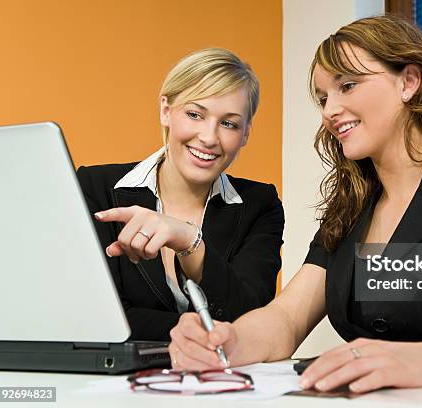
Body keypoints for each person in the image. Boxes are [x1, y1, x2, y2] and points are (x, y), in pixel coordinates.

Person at [167, 16, 422, 398]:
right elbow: (286, 319)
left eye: (347, 86)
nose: (329, 110)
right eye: (322, 97)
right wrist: (227, 342)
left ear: (409, 82)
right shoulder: (350, 211)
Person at [77, 48, 284, 341]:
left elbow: (248, 315)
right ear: (166, 110)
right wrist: (188, 330)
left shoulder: (260, 205)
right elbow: (98, 315)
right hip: (119, 383)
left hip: (222, 382)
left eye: (228, 123)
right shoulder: (95, 187)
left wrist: (190, 242)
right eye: (195, 114)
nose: (209, 138)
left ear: (246, 133)